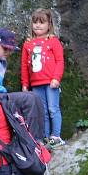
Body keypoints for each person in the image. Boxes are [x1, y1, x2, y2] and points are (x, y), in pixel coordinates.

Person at [21, 8, 65, 147]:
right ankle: (44, 137)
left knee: (53, 108)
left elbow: (60, 61)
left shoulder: (53, 41)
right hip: (35, 84)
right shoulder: (27, 44)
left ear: (49, 24)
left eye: (42, 22)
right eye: (35, 22)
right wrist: (25, 84)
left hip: (51, 82)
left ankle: (56, 136)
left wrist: (56, 78)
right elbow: (24, 66)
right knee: (41, 111)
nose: (38, 25)